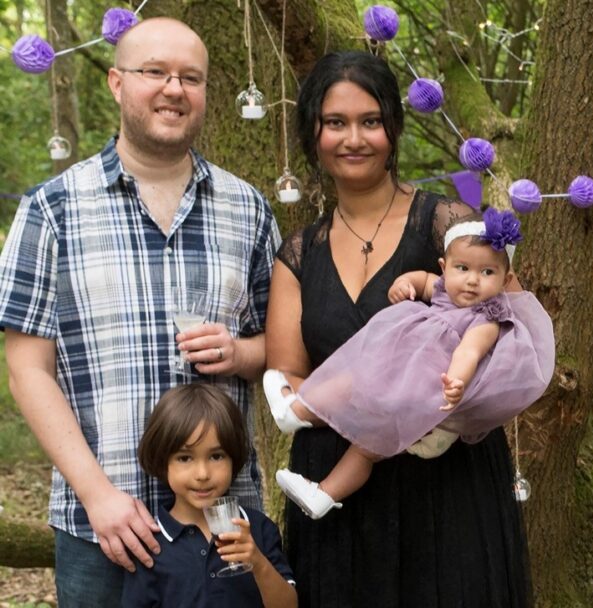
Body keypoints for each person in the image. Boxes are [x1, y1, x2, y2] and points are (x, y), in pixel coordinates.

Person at [0, 18, 279, 607]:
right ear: (117, 82)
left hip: (224, 525)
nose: (174, 89)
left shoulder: (247, 209)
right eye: (155, 72)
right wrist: (97, 494)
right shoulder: (51, 209)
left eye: (191, 78)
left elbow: (278, 349)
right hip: (104, 525)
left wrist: (239, 351)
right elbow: (28, 370)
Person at [265, 50, 533, 606]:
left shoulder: (452, 226)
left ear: (393, 127)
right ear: (312, 133)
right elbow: (288, 370)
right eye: (335, 123)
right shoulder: (298, 253)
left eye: (370, 121)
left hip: (445, 486)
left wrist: (446, 410)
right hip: (338, 493)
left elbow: (513, 334)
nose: (354, 138)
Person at [265, 209, 554, 519]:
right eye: (463, 268)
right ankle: (322, 490)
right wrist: (405, 284)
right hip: (408, 391)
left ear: (506, 279)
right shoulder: (444, 288)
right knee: (364, 438)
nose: (472, 280)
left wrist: (455, 382)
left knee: (359, 393)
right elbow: (423, 279)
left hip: (423, 396)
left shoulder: (486, 318)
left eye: (487, 273)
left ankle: (297, 418)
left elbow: (468, 352)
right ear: (445, 268)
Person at [123, 384, 297, 607]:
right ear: (162, 461)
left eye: (216, 456)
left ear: (233, 458)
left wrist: (258, 562)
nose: (203, 474)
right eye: (185, 458)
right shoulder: (149, 546)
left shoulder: (258, 529)